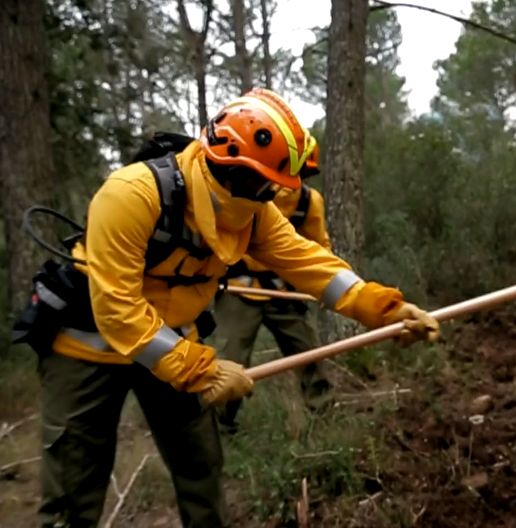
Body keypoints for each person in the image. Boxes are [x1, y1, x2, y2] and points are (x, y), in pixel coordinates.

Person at [28, 87, 439, 527]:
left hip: (174, 343)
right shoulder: (131, 194)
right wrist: (202, 370)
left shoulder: (254, 210)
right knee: (72, 495)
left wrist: (384, 307)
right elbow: (117, 310)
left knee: (202, 472)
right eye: (263, 184)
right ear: (232, 167)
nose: (269, 195)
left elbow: (310, 262)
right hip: (85, 351)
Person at [214, 160, 334, 433]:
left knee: (309, 353)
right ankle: (221, 424)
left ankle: (324, 416)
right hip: (238, 289)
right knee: (232, 361)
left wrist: (324, 286)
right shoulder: (243, 190)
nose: (291, 180)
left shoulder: (308, 201)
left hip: (284, 292)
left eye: (300, 173)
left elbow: (319, 248)